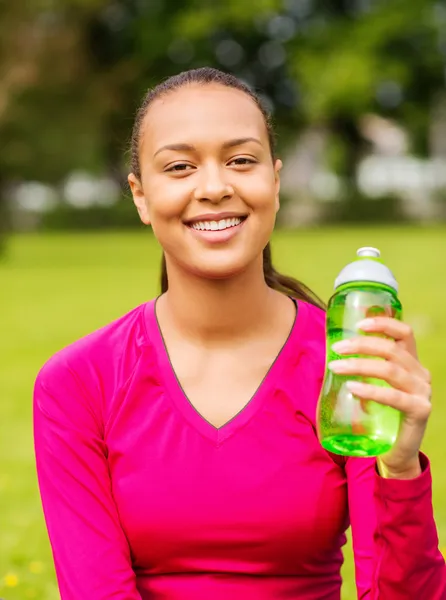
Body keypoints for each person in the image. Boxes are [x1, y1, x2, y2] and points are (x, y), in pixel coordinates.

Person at [33, 67, 446, 600]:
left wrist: (401, 468)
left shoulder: (348, 364)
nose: (214, 187)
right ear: (139, 195)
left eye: (241, 161)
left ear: (274, 181)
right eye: (180, 167)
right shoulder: (78, 382)